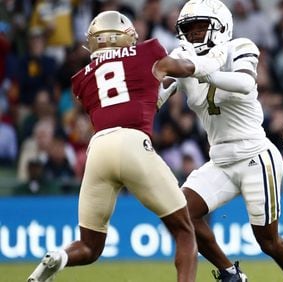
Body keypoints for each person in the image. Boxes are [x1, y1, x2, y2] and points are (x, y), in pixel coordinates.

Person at [27, 10, 228, 282]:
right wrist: (207, 60)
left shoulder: (82, 78)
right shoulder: (148, 52)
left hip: (98, 150)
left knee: (89, 246)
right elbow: (185, 69)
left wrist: (151, 95)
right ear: (126, 37)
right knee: (184, 230)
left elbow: (116, 103)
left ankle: (60, 256)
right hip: (134, 144)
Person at [158, 0, 283, 281]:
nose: (193, 35)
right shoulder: (184, 59)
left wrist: (196, 68)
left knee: (268, 242)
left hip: (254, 155)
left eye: (200, 28)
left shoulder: (239, 47)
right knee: (178, 212)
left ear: (221, 27)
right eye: (188, 30)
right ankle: (230, 273)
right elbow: (156, 98)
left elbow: (244, 83)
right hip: (220, 160)